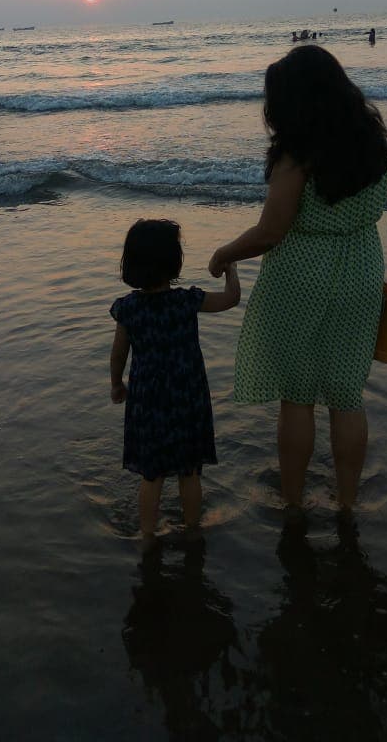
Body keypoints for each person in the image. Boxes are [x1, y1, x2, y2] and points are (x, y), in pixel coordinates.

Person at [208, 45, 387, 516]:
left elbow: (272, 231)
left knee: (299, 395)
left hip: (303, 273)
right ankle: (347, 504)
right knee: (349, 395)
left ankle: (293, 502)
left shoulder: (298, 154)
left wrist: (224, 253)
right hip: (362, 268)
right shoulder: (371, 140)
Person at [110, 219, 241, 547]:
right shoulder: (187, 301)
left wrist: (116, 384)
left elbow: (118, 354)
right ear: (175, 261)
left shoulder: (128, 309)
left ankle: (148, 535)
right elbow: (230, 299)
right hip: (188, 397)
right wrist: (231, 269)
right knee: (189, 470)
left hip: (148, 400)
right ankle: (193, 529)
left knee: (151, 474)